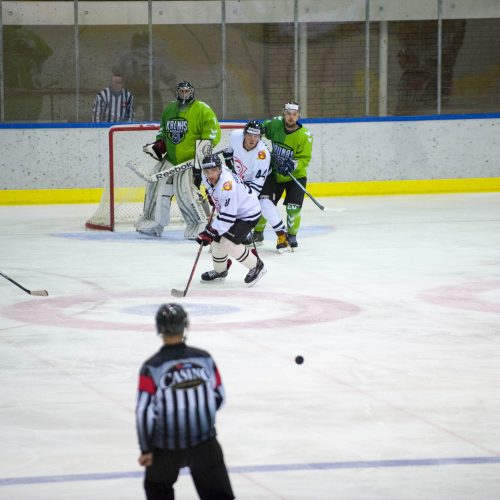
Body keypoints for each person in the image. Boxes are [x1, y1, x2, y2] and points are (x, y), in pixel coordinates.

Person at [136, 303, 234, 500]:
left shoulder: (152, 366)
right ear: (185, 326)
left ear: (158, 329)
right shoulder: (204, 358)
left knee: (157, 487)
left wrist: (146, 449)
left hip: (166, 448)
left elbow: (144, 413)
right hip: (205, 444)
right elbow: (219, 396)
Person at [136, 81, 221, 239]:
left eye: (186, 92)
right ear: (177, 92)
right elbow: (163, 132)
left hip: (189, 162)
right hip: (170, 160)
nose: (184, 94)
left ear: (192, 92)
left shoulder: (202, 109)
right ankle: (153, 223)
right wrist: (159, 146)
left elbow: (212, 134)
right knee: (157, 189)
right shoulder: (170, 108)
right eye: (181, 91)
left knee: (188, 194)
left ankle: (200, 226)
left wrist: (198, 162)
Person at [196, 153, 266, 287]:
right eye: (207, 171)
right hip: (236, 210)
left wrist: (210, 232)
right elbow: (215, 192)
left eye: (214, 171)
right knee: (216, 242)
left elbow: (228, 217)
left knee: (227, 242)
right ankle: (220, 271)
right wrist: (213, 196)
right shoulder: (210, 176)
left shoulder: (227, 185)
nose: (211, 175)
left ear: (220, 169)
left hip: (248, 214)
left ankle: (257, 266)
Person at [252, 102, 313, 249]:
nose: (291, 117)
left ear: (299, 115)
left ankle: (291, 235)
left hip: (296, 176)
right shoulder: (275, 124)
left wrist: (292, 164)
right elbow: (260, 129)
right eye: (288, 113)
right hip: (274, 173)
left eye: (294, 114)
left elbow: (305, 158)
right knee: (265, 204)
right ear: (283, 113)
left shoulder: (305, 135)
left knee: (293, 208)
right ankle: (258, 232)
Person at [224, 120, 290, 252]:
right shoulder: (235, 136)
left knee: (265, 204)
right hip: (241, 179)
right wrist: (229, 155)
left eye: (256, 136)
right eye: (249, 135)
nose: (252, 139)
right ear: (244, 134)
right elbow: (232, 149)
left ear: (260, 137)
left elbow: (257, 184)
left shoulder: (262, 154)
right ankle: (241, 234)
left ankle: (282, 235)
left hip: (263, 180)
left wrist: (246, 200)